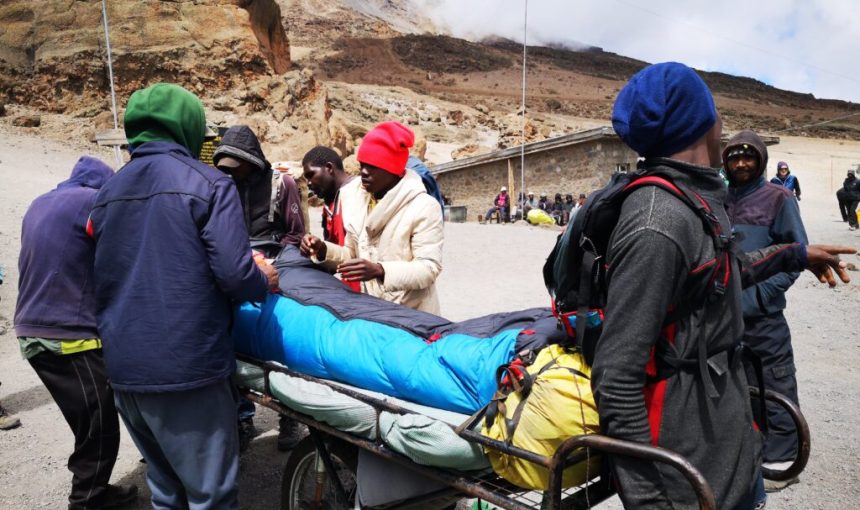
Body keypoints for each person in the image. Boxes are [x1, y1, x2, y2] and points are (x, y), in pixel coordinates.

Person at [593, 62, 852, 510]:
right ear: (703, 123)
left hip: (729, 444)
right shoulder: (658, 222)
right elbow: (616, 377)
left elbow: (720, 271)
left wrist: (793, 254)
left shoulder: (692, 200)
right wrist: (652, 499)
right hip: (687, 467)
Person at [88, 83, 279, 509]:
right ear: (189, 128)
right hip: (185, 369)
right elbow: (234, 272)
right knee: (209, 493)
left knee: (167, 487)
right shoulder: (209, 183)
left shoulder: (106, 193)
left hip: (123, 369)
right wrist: (261, 277)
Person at [14, 156, 137, 509]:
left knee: (88, 423)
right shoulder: (93, 202)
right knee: (100, 426)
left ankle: (95, 490)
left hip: (31, 331)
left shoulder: (40, 203)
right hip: (68, 335)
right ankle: (86, 500)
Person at [723, 131, 808, 491]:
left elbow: (794, 258)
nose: (741, 164)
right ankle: (745, 453)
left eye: (749, 157)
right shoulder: (718, 198)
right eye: (734, 158)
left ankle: (782, 463)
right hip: (725, 317)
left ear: (761, 160)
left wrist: (757, 299)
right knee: (734, 385)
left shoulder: (780, 198)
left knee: (774, 383)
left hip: (764, 317)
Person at [213, 125, 305, 453]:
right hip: (238, 270)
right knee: (237, 346)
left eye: (239, 167)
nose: (234, 174)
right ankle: (244, 417)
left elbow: (296, 235)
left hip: (278, 271)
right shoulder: (222, 186)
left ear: (253, 160)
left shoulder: (283, 184)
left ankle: (289, 417)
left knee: (281, 348)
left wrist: (272, 264)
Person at [300, 121, 444, 314]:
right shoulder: (354, 198)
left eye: (373, 166)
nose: (364, 172)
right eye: (362, 165)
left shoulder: (423, 207)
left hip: (412, 313)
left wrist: (380, 270)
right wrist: (323, 249)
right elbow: (351, 253)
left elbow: (428, 268)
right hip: (371, 310)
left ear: (393, 169)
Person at [302, 145, 361, 294]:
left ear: (329, 168)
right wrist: (319, 248)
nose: (308, 183)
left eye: (311, 175)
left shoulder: (357, 195)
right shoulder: (330, 203)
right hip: (343, 282)